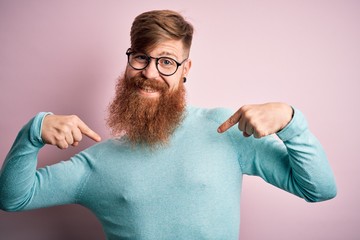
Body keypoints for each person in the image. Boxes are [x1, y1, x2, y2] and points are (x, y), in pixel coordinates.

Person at [0, 9, 336, 240]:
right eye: (141, 57)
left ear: (186, 68)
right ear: (129, 58)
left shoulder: (225, 129)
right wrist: (34, 131)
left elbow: (319, 189)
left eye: (166, 62)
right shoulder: (96, 163)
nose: (149, 72)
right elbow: (13, 198)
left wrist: (292, 122)